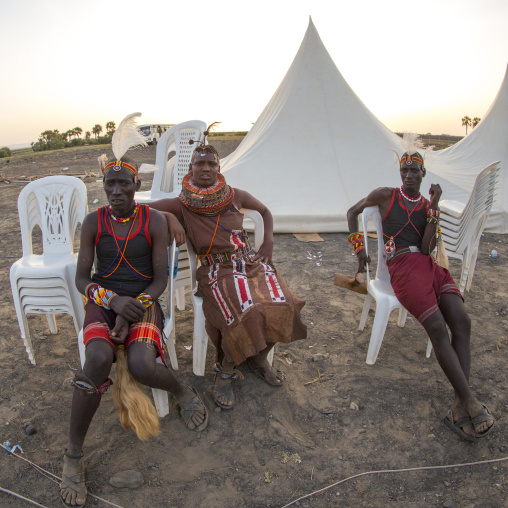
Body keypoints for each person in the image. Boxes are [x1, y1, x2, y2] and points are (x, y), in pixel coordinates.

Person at [61, 154, 208, 508]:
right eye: (109, 185)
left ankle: (181, 390)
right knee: (96, 358)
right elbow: (82, 279)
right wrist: (112, 302)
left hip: (143, 302)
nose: (115, 191)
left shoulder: (153, 221)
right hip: (104, 301)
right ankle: (73, 456)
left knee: (141, 365)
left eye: (123, 184)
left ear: (136, 186)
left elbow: (159, 280)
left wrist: (132, 310)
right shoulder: (93, 222)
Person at [346, 134, 495, 442]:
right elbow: (352, 213)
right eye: (405, 170)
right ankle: (469, 401)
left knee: (462, 321)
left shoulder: (428, 205)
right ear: (400, 173)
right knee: (438, 329)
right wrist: (360, 251)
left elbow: (427, 248)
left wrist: (435, 207)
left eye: (415, 171)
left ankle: (458, 403)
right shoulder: (386, 195)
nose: (410, 175)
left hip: (428, 266)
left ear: (424, 174)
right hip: (402, 268)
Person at [150, 138, 307, 410]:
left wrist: (267, 241)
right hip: (215, 269)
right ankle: (225, 371)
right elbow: (144, 209)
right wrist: (170, 217)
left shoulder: (235, 195)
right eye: (200, 163)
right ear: (191, 168)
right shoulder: (181, 203)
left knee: (286, 303)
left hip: (249, 261)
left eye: (212, 163)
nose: (206, 168)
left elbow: (265, 212)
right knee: (247, 309)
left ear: (219, 167)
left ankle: (258, 358)